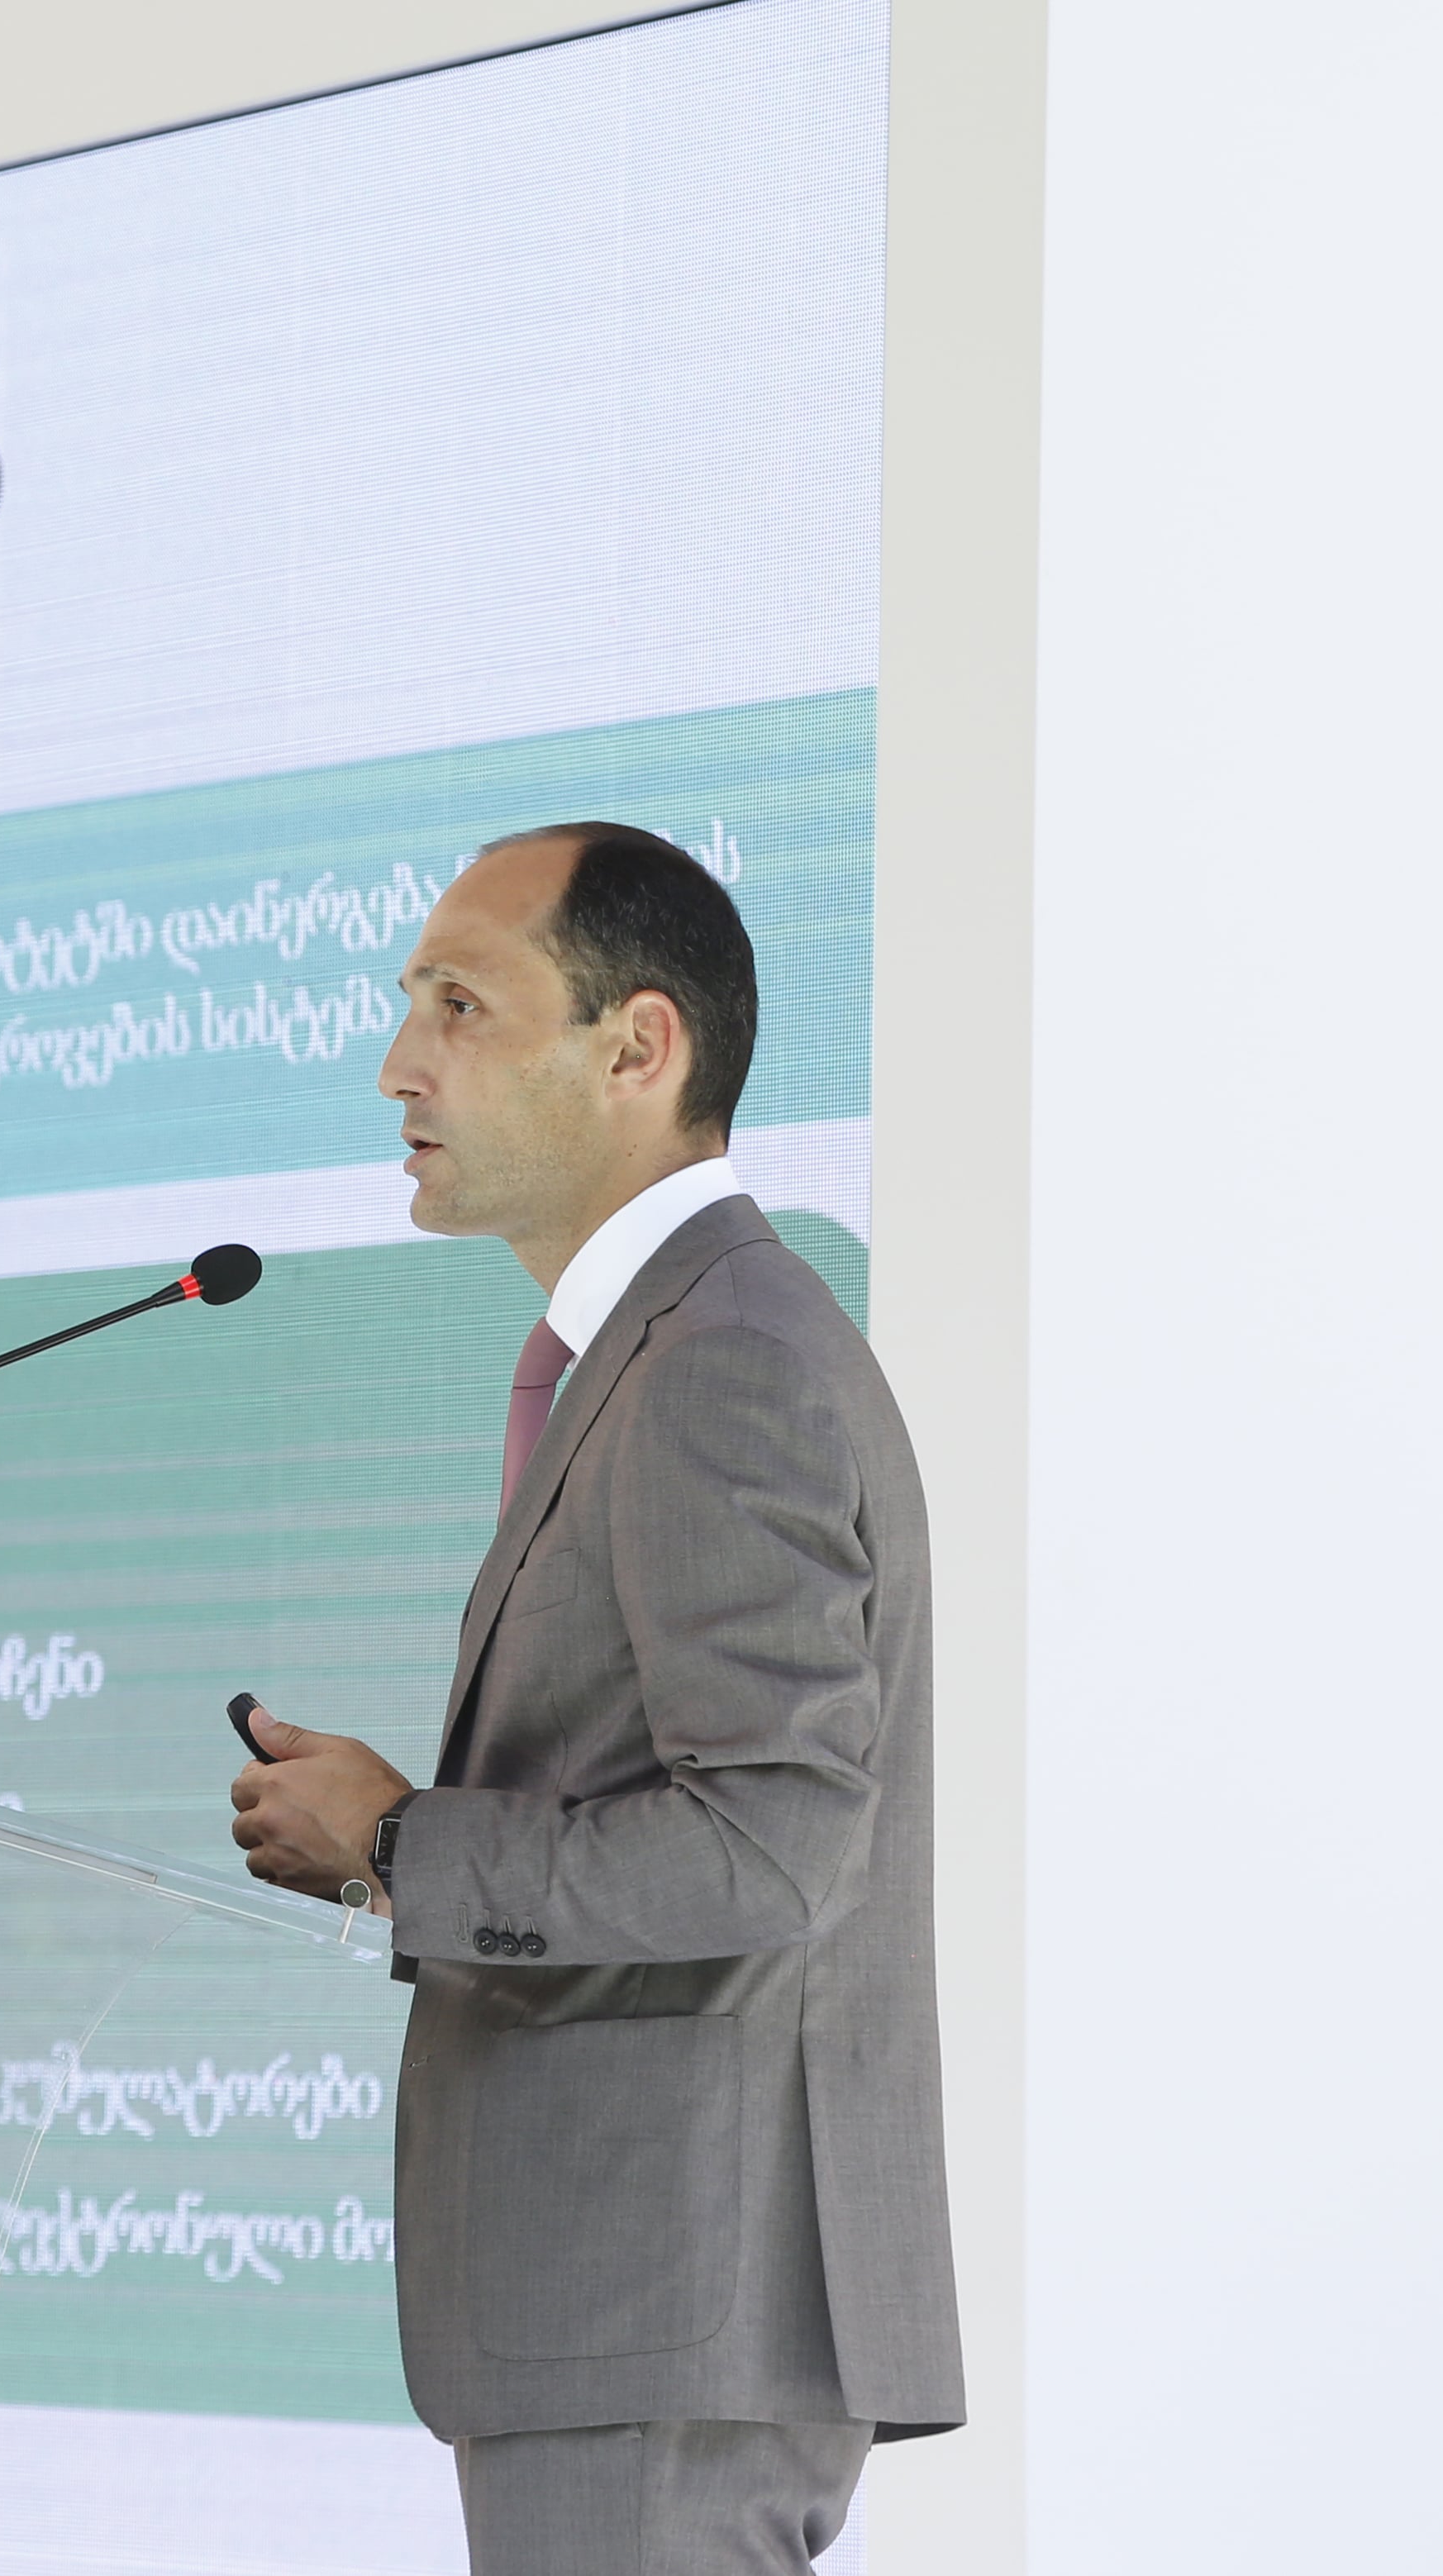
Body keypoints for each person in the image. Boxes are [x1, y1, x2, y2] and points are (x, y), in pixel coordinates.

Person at [226, 825, 959, 2574]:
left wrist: (402, 1844)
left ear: (639, 1047)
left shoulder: (722, 1365)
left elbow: (775, 1844)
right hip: (651, 2310)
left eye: (459, 1005)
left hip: (666, 2302)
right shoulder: (669, 1347)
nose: (398, 1062)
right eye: (408, 1002)